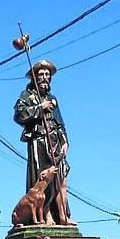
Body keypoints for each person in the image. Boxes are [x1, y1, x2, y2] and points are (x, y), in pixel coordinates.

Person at [13, 59, 73, 226]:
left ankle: (63, 215)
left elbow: (59, 121)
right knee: (43, 179)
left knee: (61, 177)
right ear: (34, 77)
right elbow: (19, 115)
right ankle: (46, 215)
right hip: (39, 141)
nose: (45, 77)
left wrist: (65, 141)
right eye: (41, 74)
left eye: (47, 74)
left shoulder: (52, 98)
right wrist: (40, 107)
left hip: (55, 141)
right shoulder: (27, 96)